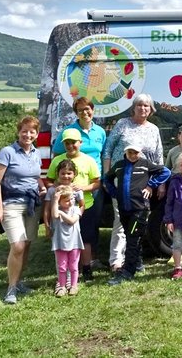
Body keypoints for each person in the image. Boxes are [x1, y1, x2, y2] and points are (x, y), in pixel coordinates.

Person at [104, 93, 164, 272]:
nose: (143, 108)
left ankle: (134, 259)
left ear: (151, 110)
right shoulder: (123, 124)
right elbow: (108, 149)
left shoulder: (153, 129)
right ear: (134, 107)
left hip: (143, 183)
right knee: (120, 220)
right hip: (122, 178)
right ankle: (116, 260)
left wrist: (158, 184)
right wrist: (107, 175)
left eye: (146, 106)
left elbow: (158, 155)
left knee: (138, 221)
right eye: (140, 105)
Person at [0, 116, 47, 304]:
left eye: (32, 131)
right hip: (11, 204)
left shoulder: (36, 153)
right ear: (18, 131)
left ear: (37, 134)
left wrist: (41, 186)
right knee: (18, 245)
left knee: (27, 244)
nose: (28, 134)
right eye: (24, 130)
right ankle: (11, 289)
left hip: (32, 204)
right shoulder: (7, 152)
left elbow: (35, 176)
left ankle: (19, 282)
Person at [105, 142, 171, 285]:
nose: (133, 155)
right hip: (124, 209)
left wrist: (151, 185)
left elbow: (166, 172)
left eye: (136, 152)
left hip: (140, 209)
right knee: (131, 236)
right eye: (130, 152)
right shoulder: (119, 165)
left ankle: (128, 271)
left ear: (139, 153)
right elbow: (107, 178)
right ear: (126, 152)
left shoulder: (145, 164)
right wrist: (114, 192)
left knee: (132, 240)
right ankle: (138, 263)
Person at [51, 97, 106, 267]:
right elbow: (58, 156)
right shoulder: (69, 132)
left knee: (92, 222)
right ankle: (73, 261)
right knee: (71, 221)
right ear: (76, 113)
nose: (85, 112)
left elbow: (103, 154)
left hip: (94, 182)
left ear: (93, 110)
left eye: (87, 109)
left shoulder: (100, 132)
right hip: (73, 185)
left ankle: (91, 259)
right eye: (80, 110)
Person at [46, 128, 100, 281]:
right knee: (65, 238)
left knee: (86, 238)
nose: (70, 146)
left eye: (73, 143)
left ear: (80, 143)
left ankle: (87, 268)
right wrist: (57, 187)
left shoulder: (88, 160)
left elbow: (97, 182)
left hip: (85, 205)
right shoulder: (57, 160)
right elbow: (49, 180)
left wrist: (83, 188)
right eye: (67, 143)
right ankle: (66, 271)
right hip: (63, 208)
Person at [49, 185, 84, 297]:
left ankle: (74, 286)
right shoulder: (57, 210)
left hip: (74, 242)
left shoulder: (76, 209)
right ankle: (62, 287)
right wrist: (55, 200)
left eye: (72, 199)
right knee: (62, 267)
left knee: (73, 266)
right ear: (60, 201)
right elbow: (54, 215)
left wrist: (62, 214)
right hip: (60, 243)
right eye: (67, 200)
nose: (71, 202)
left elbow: (72, 221)